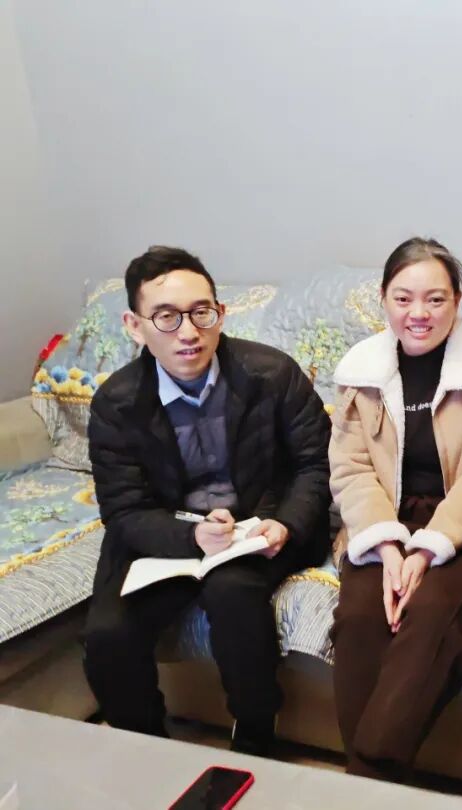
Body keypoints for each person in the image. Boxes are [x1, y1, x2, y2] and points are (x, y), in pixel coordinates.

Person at [83, 246, 331, 755]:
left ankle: (257, 738)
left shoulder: (272, 374)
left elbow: (317, 464)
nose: (188, 332)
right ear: (135, 326)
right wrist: (191, 536)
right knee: (108, 632)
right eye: (166, 317)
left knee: (233, 593)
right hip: (166, 533)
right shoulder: (116, 403)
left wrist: (286, 523)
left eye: (201, 312)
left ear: (221, 313)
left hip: (257, 526)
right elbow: (124, 510)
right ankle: (147, 751)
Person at [329, 237, 462, 780]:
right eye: (404, 298)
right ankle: (377, 783)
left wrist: (428, 549)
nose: (419, 313)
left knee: (431, 611)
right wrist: (389, 546)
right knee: (361, 616)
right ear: (383, 299)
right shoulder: (362, 368)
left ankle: (365, 779)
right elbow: (350, 467)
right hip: (384, 520)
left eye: (436, 299)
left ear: (457, 300)